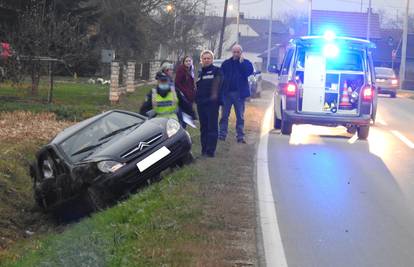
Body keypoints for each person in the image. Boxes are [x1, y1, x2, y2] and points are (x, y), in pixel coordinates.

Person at [219, 44, 254, 143]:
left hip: (239, 94)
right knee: (224, 116)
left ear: (241, 53)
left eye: (238, 52)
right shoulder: (226, 63)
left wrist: (241, 63)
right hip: (227, 94)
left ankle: (240, 136)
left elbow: (248, 72)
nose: (236, 54)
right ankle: (222, 135)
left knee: (240, 117)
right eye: (234, 52)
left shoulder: (246, 63)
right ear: (232, 52)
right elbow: (221, 76)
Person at [196, 50, 222, 158]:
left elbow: (218, 87)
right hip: (201, 104)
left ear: (212, 59)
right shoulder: (200, 72)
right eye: (204, 58)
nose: (206, 60)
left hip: (212, 104)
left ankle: (210, 151)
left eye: (208, 58)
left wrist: (214, 99)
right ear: (201, 60)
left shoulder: (217, 71)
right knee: (203, 127)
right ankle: (204, 150)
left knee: (212, 127)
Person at [175, 56, 196, 128]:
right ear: (183, 62)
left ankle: (183, 129)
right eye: (186, 61)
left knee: (187, 115)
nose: (188, 62)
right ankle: (180, 130)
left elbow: (191, 83)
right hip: (183, 96)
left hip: (189, 96)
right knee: (183, 115)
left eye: (189, 61)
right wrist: (184, 93)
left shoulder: (191, 69)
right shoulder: (181, 70)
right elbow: (177, 83)